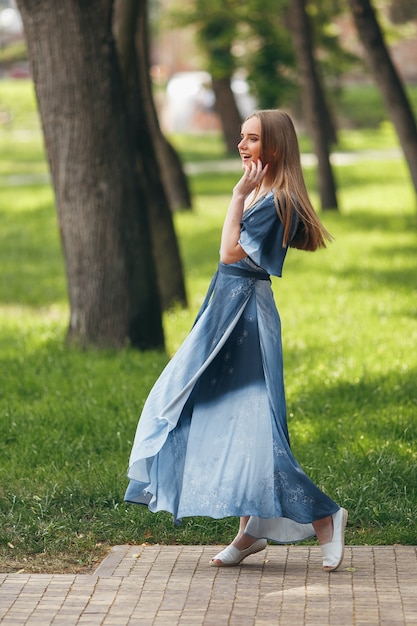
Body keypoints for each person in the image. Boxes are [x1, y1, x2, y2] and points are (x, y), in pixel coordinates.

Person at [125, 109, 348, 572]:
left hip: (244, 316)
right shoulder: (264, 194)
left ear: (276, 148)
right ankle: (250, 532)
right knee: (215, 414)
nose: (242, 145)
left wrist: (236, 195)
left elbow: (230, 253)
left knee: (254, 429)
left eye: (252, 139)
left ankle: (324, 516)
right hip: (224, 309)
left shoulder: (275, 199)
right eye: (241, 137)